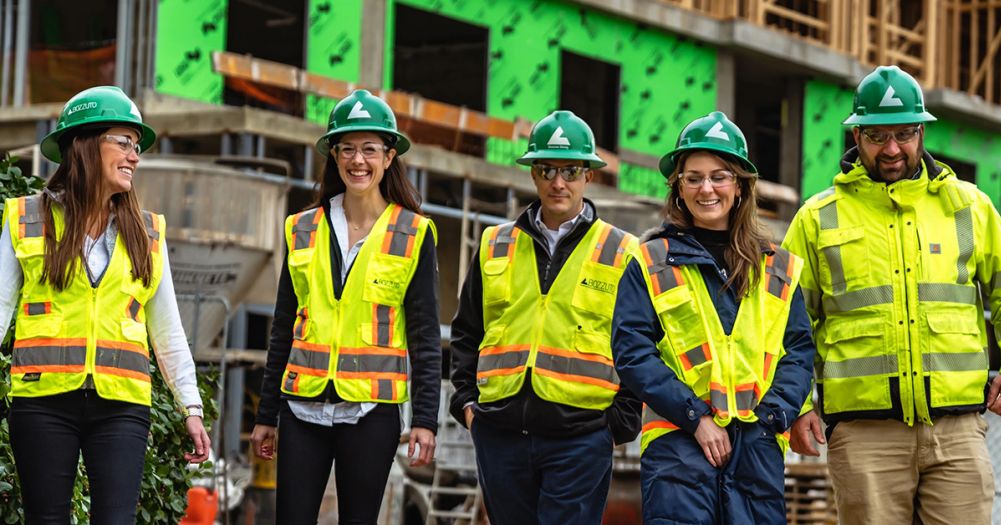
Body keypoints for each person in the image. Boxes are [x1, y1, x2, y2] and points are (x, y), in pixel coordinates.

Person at [783, 65, 1001, 524]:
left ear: (921, 132)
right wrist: (798, 405)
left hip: (957, 431)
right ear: (857, 135)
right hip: (865, 436)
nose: (891, 149)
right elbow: (785, 320)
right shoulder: (817, 218)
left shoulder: (968, 206)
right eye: (877, 136)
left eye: (904, 134)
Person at [1, 85, 210, 523]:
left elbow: (167, 330)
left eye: (137, 146)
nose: (135, 155)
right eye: (123, 142)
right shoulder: (26, 219)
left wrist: (191, 406)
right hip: (42, 401)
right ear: (84, 145)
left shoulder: (148, 232)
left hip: (121, 407)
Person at [611, 111, 815, 524]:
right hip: (678, 444)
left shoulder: (777, 267)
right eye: (694, 177)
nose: (707, 188)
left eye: (719, 176)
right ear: (679, 188)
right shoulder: (650, 260)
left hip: (756, 446)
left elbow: (798, 351)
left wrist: (771, 419)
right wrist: (695, 418)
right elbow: (632, 352)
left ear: (739, 186)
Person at [250, 89, 441, 524]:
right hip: (301, 409)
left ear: (389, 157)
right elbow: (283, 327)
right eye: (348, 149)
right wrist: (266, 414)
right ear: (333, 156)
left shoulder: (413, 233)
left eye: (370, 150)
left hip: (371, 412)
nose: (359, 161)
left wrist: (425, 420)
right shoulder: (301, 228)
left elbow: (425, 335)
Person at [449, 110, 642, 524]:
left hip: (582, 438)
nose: (559, 182)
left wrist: (619, 424)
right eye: (547, 169)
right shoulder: (494, 243)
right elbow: (467, 331)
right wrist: (467, 404)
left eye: (570, 170)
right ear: (533, 174)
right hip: (500, 434)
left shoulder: (623, 251)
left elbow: (639, 344)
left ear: (589, 175)